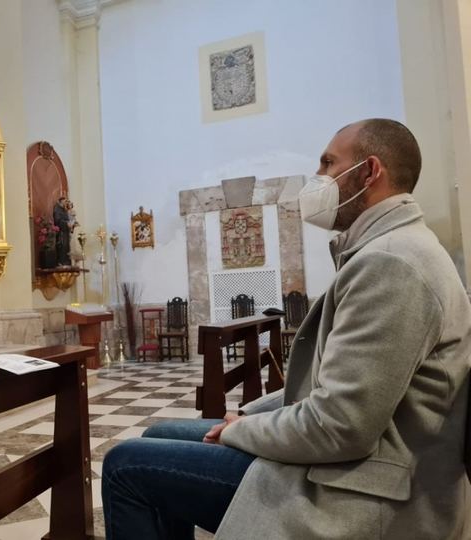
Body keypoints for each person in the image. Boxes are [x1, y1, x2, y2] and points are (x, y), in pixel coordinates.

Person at [102, 119, 471, 539]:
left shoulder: (392, 263)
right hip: (362, 465)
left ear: (370, 172)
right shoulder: (388, 249)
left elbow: (340, 427)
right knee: (159, 434)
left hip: (368, 493)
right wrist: (247, 414)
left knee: (124, 464)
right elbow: (326, 384)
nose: (318, 176)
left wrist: (242, 431)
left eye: (328, 163)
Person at [53, 196, 72, 266]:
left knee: (66, 247)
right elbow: (57, 220)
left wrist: (71, 224)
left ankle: (66, 262)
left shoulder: (64, 209)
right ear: (61, 201)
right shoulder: (57, 209)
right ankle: (61, 262)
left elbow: (67, 218)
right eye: (65, 201)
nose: (66, 203)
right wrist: (66, 223)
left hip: (66, 231)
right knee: (62, 247)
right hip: (61, 232)